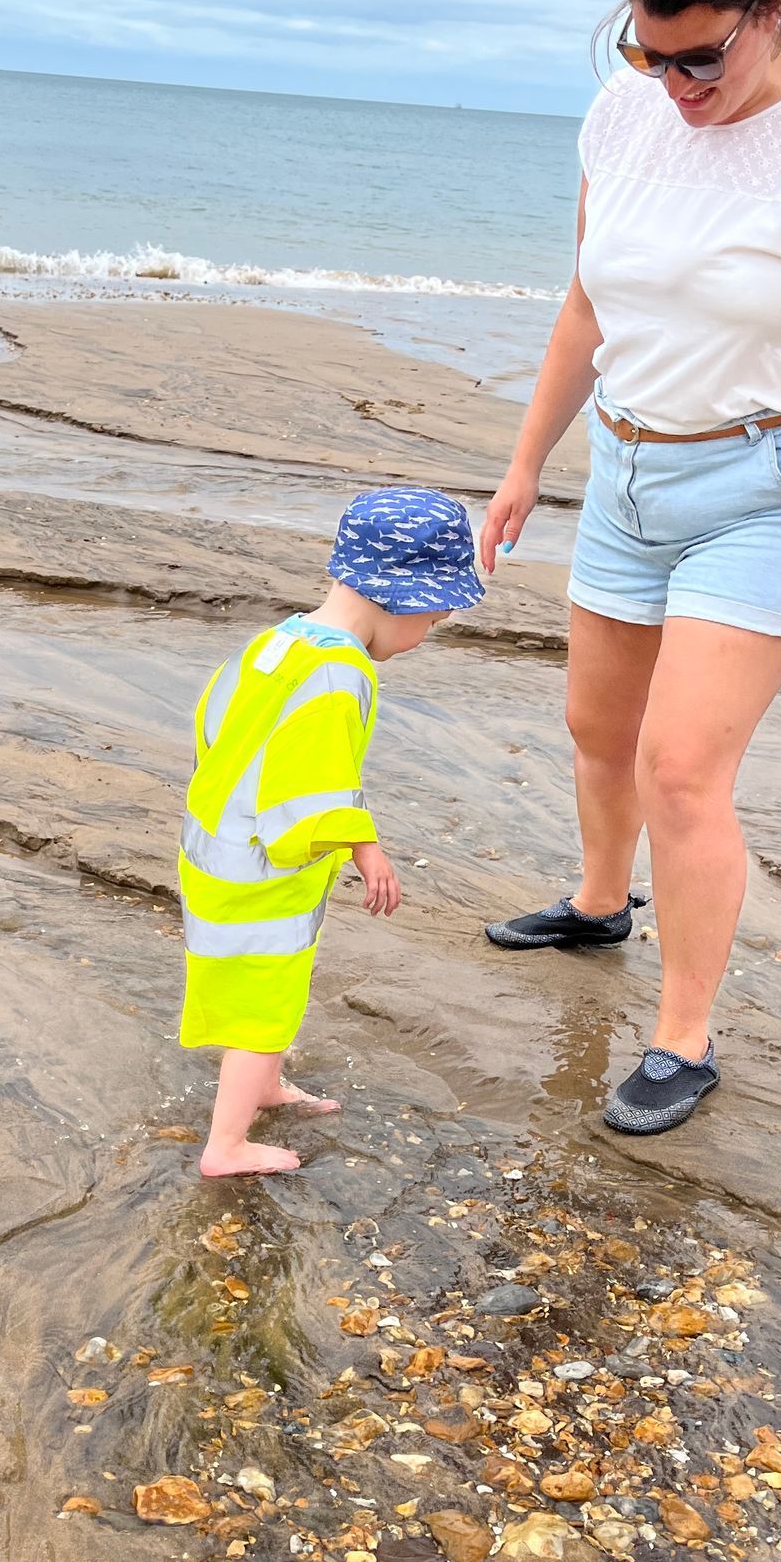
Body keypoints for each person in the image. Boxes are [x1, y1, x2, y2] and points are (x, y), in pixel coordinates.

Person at [479, 0, 781, 1135]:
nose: (674, 86)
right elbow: (587, 304)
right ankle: (595, 902)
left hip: (768, 489)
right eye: (647, 51)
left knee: (683, 768)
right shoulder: (623, 112)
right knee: (595, 729)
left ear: (777, 7)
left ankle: (683, 1036)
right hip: (624, 468)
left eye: (701, 58)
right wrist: (525, 468)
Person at [180, 486, 483, 1176]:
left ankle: (261, 1087)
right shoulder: (337, 674)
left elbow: (216, 726)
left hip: (217, 842)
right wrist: (364, 845)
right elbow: (312, 777)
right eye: (433, 620)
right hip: (258, 865)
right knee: (267, 996)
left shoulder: (279, 640)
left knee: (268, 977)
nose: (426, 635)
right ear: (402, 596)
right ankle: (225, 1145)